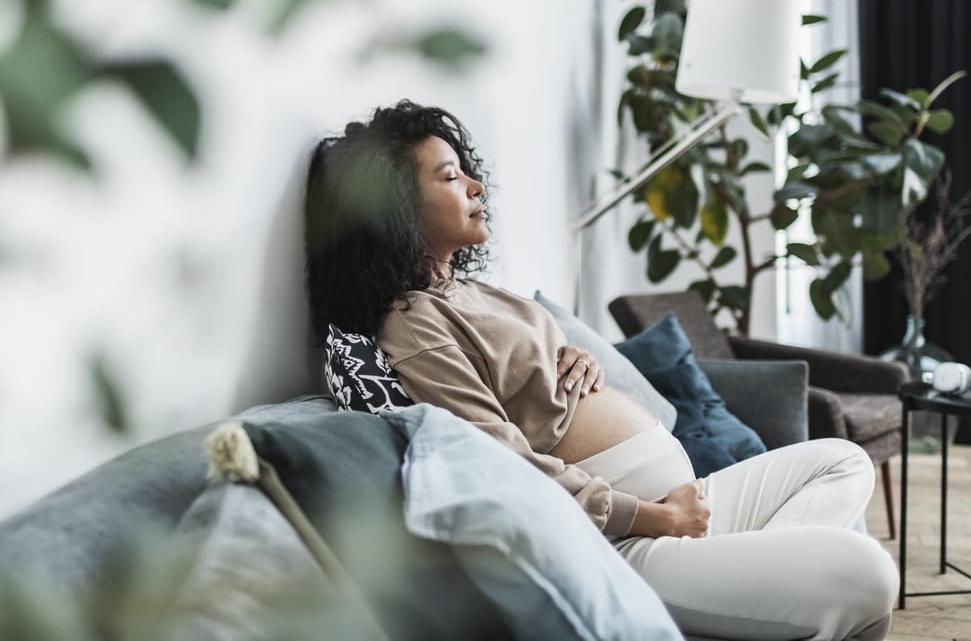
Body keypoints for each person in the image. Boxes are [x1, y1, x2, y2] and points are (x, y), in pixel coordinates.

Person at [305, 100, 898, 641]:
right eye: (450, 176)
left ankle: (760, 588)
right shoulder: (413, 324)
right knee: (867, 572)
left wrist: (574, 356)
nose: (477, 185)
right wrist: (656, 517)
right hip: (623, 542)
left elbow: (532, 380)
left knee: (840, 460)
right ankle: (767, 592)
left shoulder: (474, 291)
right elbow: (500, 462)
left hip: (677, 512)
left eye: (466, 170)